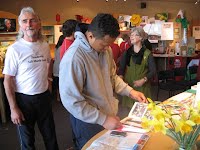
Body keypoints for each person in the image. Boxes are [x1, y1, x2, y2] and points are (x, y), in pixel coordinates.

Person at [59, 13, 147, 149]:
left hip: (108, 115)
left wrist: (130, 92)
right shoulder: (74, 57)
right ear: (90, 36)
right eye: (104, 44)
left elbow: (112, 77)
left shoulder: (105, 50)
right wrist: (103, 119)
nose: (107, 48)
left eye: (110, 44)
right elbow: (72, 101)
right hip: (87, 122)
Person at [3, 7, 59, 150]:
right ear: (20, 24)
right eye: (25, 21)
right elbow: (7, 80)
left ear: (39, 23)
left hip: (44, 98)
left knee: (50, 137)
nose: (29, 24)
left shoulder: (44, 45)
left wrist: (49, 81)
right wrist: (13, 108)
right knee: (28, 142)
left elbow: (49, 63)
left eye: (32, 20)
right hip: (24, 100)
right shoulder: (14, 49)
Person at [118, 27, 156, 109]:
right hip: (129, 88)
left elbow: (153, 71)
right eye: (131, 35)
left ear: (141, 37)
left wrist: (143, 80)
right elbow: (121, 69)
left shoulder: (147, 54)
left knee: (143, 110)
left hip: (143, 87)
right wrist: (121, 80)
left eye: (135, 35)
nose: (131, 37)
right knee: (130, 112)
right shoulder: (126, 53)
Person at [53, 35, 65, 101]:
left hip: (55, 66)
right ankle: (62, 97)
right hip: (60, 67)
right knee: (62, 83)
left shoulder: (56, 47)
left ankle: (58, 97)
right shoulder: (63, 47)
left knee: (57, 83)